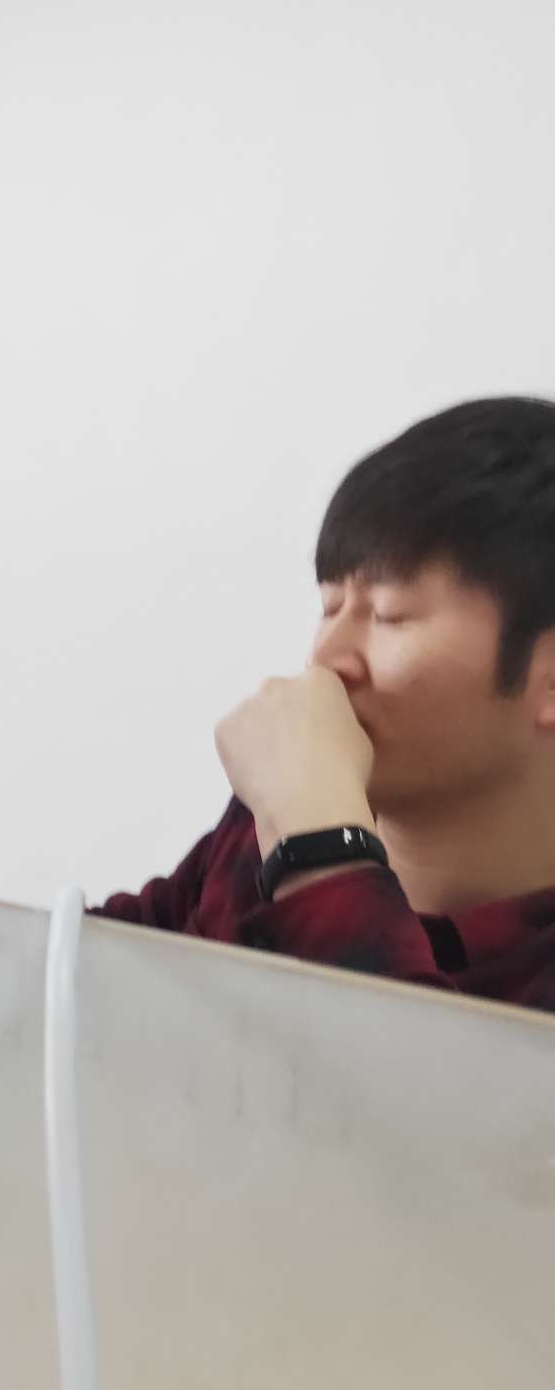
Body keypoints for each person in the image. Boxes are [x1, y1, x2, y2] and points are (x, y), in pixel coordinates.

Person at [99, 397, 555, 1009]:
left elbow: (394, 1066)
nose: (328, 658)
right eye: (329, 608)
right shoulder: (272, 822)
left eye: (390, 615)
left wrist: (319, 848)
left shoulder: (304, 823)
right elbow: (78, 986)